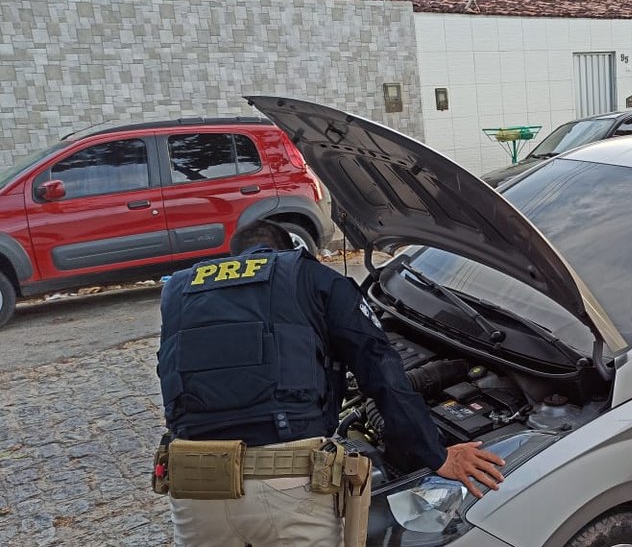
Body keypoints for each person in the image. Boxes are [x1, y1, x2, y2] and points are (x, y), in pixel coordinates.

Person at [155, 220, 504, 546]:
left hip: (194, 485)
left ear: (235, 257)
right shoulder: (310, 275)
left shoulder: (180, 290)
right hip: (286, 486)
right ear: (289, 247)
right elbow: (380, 370)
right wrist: (435, 454)